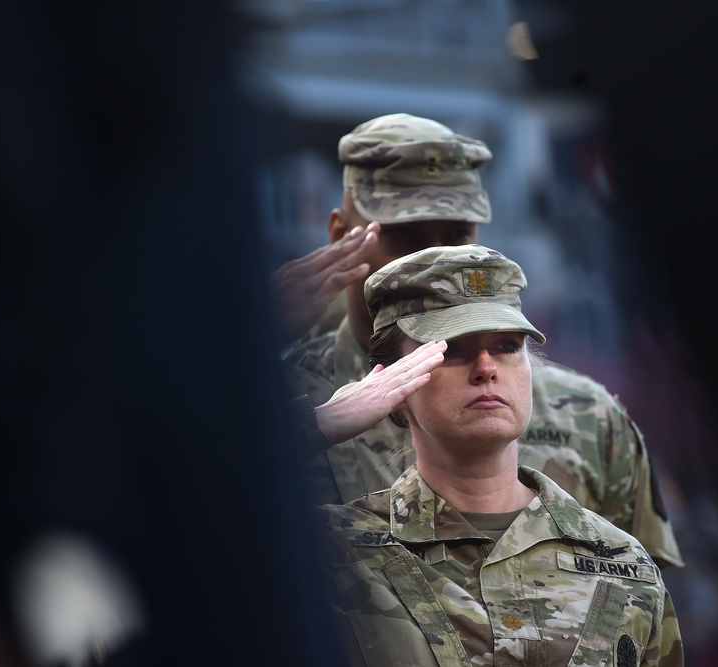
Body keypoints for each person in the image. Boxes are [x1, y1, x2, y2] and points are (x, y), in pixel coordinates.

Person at [281, 112, 684, 568]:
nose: (434, 257)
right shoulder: (279, 401)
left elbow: (641, 597)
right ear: (339, 233)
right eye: (402, 235)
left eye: (456, 233)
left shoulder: (590, 415)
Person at [310, 244, 684, 666]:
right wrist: (318, 424)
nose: (487, 366)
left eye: (507, 345)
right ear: (396, 385)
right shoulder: (330, 552)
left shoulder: (623, 563)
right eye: (451, 348)